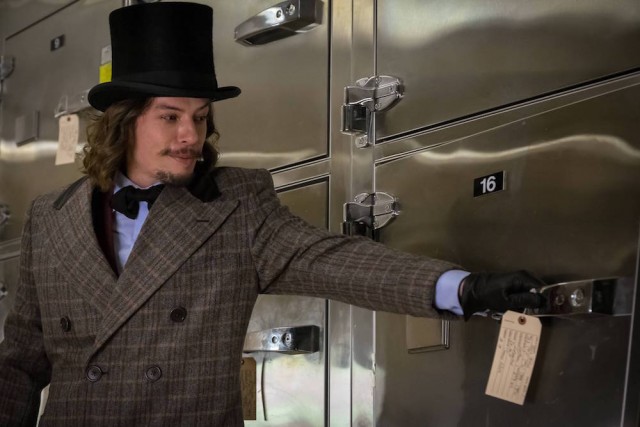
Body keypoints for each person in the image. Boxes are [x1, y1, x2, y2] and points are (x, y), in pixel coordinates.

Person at [0, 2, 545, 426]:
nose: (190, 135)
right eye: (170, 117)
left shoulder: (233, 206)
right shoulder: (52, 217)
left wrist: (463, 287)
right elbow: (21, 363)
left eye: (200, 116)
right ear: (124, 122)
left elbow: (334, 261)